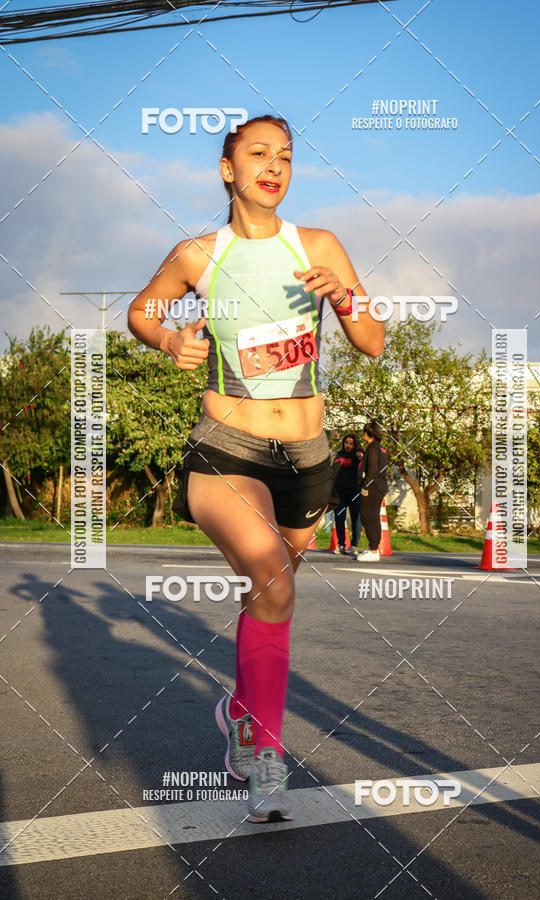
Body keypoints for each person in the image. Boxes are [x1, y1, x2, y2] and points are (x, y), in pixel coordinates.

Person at [127, 115, 384, 823]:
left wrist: (344, 298)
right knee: (270, 575)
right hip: (227, 444)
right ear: (227, 168)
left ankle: (241, 711)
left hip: (307, 455)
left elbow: (373, 341)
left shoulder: (321, 245)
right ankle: (266, 757)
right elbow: (142, 313)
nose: (275, 166)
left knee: (269, 593)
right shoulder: (198, 255)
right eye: (259, 153)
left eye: (287, 156)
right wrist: (167, 338)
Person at [356, 421, 389, 562]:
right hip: (380, 485)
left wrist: (365, 487)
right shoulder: (381, 448)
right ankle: (373, 549)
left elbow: (373, 470)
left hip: (373, 486)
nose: (363, 435)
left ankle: (374, 550)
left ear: (368, 434)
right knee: (373, 517)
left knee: (368, 517)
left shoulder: (373, 448)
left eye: (364, 432)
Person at [332, 433, 363, 554]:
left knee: (356, 520)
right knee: (339, 519)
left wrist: (359, 450)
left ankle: (354, 545)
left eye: (351, 443)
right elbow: (333, 471)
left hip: (354, 493)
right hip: (340, 494)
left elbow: (362, 455)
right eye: (346, 443)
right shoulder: (339, 455)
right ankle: (341, 545)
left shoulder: (357, 455)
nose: (348, 445)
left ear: (354, 445)